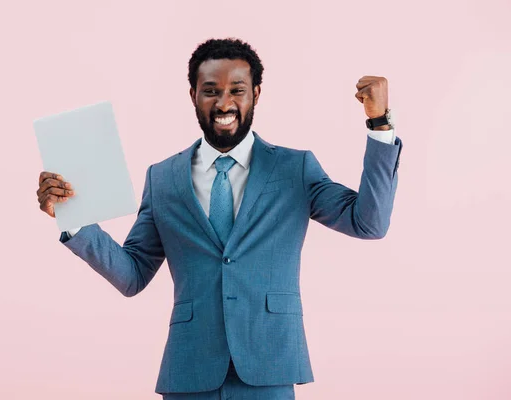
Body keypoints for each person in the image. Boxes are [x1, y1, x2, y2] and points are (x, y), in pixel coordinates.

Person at [36, 38, 403, 399]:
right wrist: (73, 219)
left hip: (270, 366)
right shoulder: (162, 178)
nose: (224, 102)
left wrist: (380, 125)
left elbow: (369, 222)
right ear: (193, 95)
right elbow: (131, 275)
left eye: (237, 90)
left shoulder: (295, 169)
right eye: (210, 90)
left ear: (256, 94)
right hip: (189, 371)